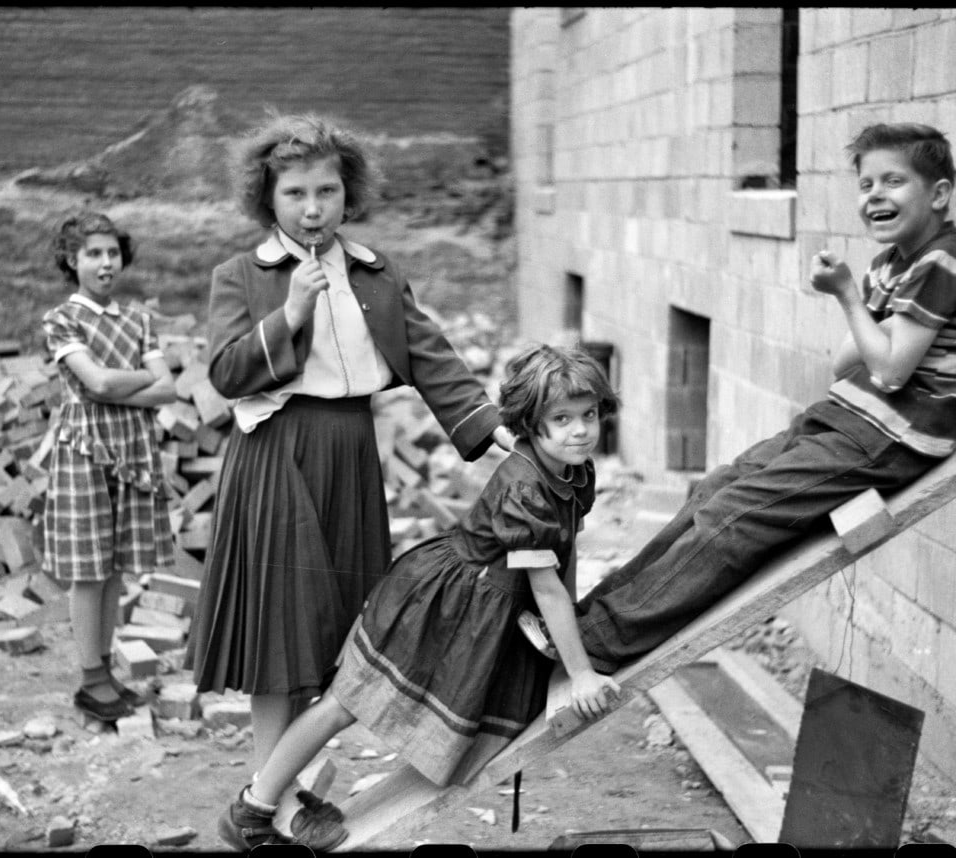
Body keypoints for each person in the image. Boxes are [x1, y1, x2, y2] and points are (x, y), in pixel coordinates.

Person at [520, 122, 956, 669]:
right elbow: (843, 362)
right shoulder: (894, 263)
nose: (876, 196)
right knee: (715, 489)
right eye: (866, 185)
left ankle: (601, 642)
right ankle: (583, 622)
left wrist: (846, 296)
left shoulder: (943, 261)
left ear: (938, 194)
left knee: (733, 518)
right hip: (854, 418)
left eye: (894, 182)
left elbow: (886, 371)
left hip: (895, 437)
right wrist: (865, 299)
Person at [184, 112, 516, 818]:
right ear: (266, 200)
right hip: (277, 456)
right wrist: (290, 316)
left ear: (348, 193)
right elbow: (225, 372)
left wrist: (488, 429)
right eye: (295, 194)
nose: (313, 209)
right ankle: (269, 800)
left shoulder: (374, 271)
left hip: (350, 455)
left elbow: (428, 353)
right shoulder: (240, 276)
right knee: (281, 631)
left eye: (327, 192)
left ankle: (282, 790)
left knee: (334, 631)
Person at [216, 344, 623, 850]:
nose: (580, 430)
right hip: (438, 599)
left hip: (483, 605)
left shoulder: (575, 472)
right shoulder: (526, 490)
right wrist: (580, 671)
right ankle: (253, 807)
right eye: (561, 419)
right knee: (348, 702)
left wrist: (571, 637)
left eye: (588, 415)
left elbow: (564, 556)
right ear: (528, 423)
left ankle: (267, 797)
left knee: (369, 704)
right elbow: (545, 586)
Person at [40, 212, 177, 721]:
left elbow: (170, 389)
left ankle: (105, 675)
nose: (104, 263)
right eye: (92, 254)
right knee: (88, 570)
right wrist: (141, 378)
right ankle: (90, 680)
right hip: (85, 451)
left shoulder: (138, 320)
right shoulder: (63, 320)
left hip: (133, 451)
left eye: (112, 253)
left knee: (116, 565)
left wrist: (125, 383)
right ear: (72, 261)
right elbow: (93, 384)